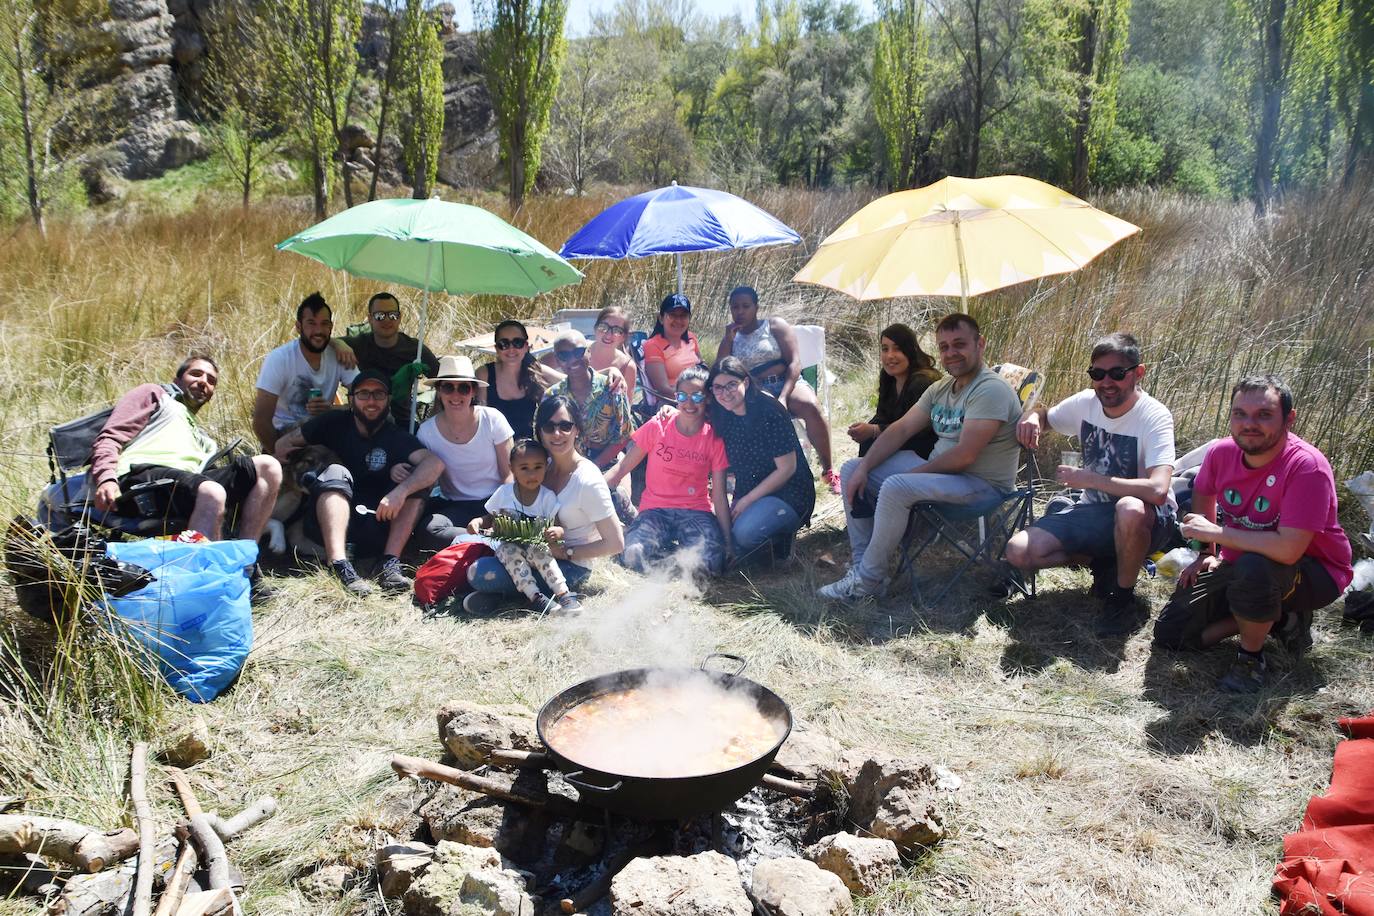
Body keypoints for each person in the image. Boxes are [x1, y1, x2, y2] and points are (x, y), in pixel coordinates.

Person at [1152, 375, 1352, 692]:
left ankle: (1250, 659)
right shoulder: (1221, 453)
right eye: (1240, 414)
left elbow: (1288, 550)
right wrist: (1206, 552)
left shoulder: (1306, 466)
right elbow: (1204, 495)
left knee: (1254, 568)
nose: (1249, 424)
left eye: (1264, 415)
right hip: (1243, 561)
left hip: (1314, 571)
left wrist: (1218, 532)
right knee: (1172, 636)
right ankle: (1280, 620)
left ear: (1289, 419)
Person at [819, 313, 1022, 602]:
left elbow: (965, 456)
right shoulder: (941, 388)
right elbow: (900, 429)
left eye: (959, 344)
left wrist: (914, 475)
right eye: (944, 347)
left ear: (980, 344)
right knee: (852, 469)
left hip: (981, 484)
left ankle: (868, 580)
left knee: (897, 485)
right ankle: (863, 569)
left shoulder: (990, 390)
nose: (951, 353)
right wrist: (866, 467)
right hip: (942, 475)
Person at [1005, 333, 1178, 635]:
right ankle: (1106, 560)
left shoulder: (1154, 416)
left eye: (1117, 373)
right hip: (1093, 511)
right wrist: (1033, 418)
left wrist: (1091, 480)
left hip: (1150, 518)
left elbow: (1158, 490)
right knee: (1019, 552)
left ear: (1139, 372)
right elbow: (1047, 417)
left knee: (1129, 508)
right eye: (1097, 374)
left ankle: (1121, 600)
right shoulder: (1086, 403)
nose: (1106, 382)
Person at [274, 370, 444, 596]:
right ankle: (339, 566)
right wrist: (302, 482)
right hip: (327, 524)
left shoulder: (395, 436)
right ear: (351, 398)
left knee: (417, 481)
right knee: (335, 471)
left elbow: (434, 464)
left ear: (388, 400)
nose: (371, 401)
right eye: (363, 394)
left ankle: (389, 564)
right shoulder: (331, 423)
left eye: (379, 394)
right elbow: (283, 446)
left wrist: (400, 491)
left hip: (376, 524)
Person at [91, 354, 282, 549]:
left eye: (211, 380)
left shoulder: (201, 436)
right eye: (196, 374)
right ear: (177, 380)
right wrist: (106, 478)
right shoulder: (156, 394)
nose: (203, 382)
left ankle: (244, 559)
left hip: (186, 484)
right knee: (212, 492)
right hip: (141, 480)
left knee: (269, 466)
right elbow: (110, 436)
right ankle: (202, 572)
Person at [464, 396, 625, 613]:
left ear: (577, 429)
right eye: (549, 427)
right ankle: (511, 596)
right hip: (526, 553)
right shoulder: (538, 467)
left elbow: (615, 543)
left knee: (480, 573)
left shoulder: (587, 481)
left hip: (569, 565)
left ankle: (508, 595)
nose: (557, 434)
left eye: (565, 426)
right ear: (539, 431)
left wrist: (565, 552)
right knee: (477, 564)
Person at [607, 367, 731, 577]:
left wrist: (728, 542)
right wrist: (592, 488)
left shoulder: (714, 438)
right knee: (632, 556)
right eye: (682, 396)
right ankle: (649, 536)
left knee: (710, 564)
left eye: (697, 396)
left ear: (708, 398)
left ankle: (675, 551)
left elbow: (718, 495)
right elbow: (623, 467)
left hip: (695, 511)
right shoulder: (659, 425)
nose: (689, 403)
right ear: (676, 397)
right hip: (655, 510)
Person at [716, 286, 841, 494]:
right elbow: (720, 369)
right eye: (735, 307)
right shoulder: (732, 336)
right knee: (739, 414)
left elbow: (794, 362)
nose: (740, 311)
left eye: (746, 306)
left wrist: (783, 396)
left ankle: (828, 470)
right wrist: (728, 339)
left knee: (811, 406)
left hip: (786, 381)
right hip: (754, 389)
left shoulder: (774, 326)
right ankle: (749, 474)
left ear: (756, 307)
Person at [708, 358, 815, 564]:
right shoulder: (722, 416)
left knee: (745, 533)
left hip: (788, 493)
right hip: (749, 492)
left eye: (731, 384)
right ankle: (763, 540)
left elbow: (787, 469)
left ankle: (783, 538)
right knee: (721, 533)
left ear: (745, 383)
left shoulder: (768, 409)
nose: (725, 392)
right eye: (718, 387)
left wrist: (748, 500)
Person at [465, 439, 583, 614]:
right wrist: (478, 522)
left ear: (546, 467)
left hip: (536, 547)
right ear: (512, 469)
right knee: (508, 553)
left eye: (538, 467)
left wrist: (556, 532)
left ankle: (563, 593)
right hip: (510, 547)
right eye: (524, 468)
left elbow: (559, 526)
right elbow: (489, 518)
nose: (531, 474)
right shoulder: (504, 493)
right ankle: (535, 597)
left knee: (541, 553)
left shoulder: (547, 497)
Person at [415, 355, 514, 548]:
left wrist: (499, 514)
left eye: (463, 387)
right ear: (439, 391)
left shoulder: (492, 419)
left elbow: (509, 475)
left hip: (496, 501)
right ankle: (490, 543)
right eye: (448, 387)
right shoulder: (427, 432)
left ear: (473, 391)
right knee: (429, 530)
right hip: (456, 505)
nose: (456, 395)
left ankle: (478, 542)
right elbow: (425, 479)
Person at [253, 292, 359, 454]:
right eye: (311, 323)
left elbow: (366, 400)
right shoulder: (280, 358)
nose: (318, 330)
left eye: (324, 324)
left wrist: (331, 410)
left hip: (323, 427)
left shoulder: (339, 354)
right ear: (298, 327)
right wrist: (277, 455)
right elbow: (260, 421)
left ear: (331, 327)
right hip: (285, 434)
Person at [333, 292, 440, 426]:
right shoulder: (358, 344)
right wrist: (338, 344)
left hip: (401, 421)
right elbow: (321, 343)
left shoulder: (415, 349)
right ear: (370, 318)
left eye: (392, 315)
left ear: (399, 318)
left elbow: (443, 381)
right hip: (362, 419)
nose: (387, 320)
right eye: (379, 316)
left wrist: (433, 418)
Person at [542, 330, 635, 470]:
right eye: (564, 355)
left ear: (589, 352)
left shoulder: (612, 387)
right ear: (557, 360)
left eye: (578, 352)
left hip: (604, 465)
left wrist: (594, 467)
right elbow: (544, 436)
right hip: (564, 466)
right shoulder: (551, 395)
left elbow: (624, 435)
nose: (572, 359)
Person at [847, 323, 940, 461]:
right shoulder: (888, 378)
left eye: (897, 349)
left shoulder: (922, 381)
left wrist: (873, 431)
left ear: (910, 351)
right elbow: (882, 416)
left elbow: (917, 429)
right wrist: (863, 429)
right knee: (867, 443)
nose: (890, 356)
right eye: (885, 349)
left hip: (924, 448)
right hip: (899, 443)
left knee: (871, 443)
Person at [476, 319, 558, 439]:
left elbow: (569, 381)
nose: (511, 349)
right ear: (497, 349)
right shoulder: (484, 373)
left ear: (526, 346)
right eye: (504, 344)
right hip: (496, 446)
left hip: (531, 450)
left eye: (517, 343)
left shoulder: (535, 370)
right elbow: (481, 418)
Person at [539, 305, 638, 396]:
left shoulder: (627, 366)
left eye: (616, 330)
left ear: (624, 337)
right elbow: (535, 367)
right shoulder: (577, 348)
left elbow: (625, 407)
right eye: (603, 327)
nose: (608, 334)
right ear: (595, 328)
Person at [640, 293, 703, 404]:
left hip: (698, 397)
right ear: (661, 318)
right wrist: (692, 397)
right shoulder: (653, 345)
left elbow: (702, 368)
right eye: (672, 315)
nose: (678, 320)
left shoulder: (691, 338)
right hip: (672, 402)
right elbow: (663, 389)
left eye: (683, 316)